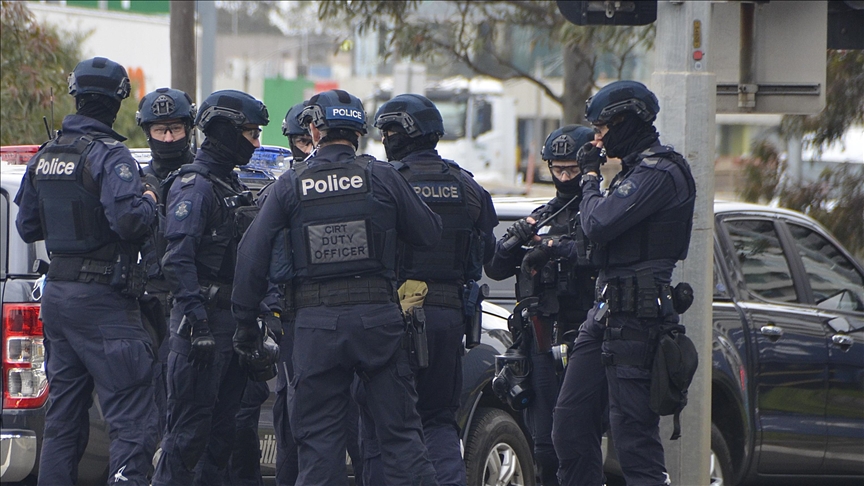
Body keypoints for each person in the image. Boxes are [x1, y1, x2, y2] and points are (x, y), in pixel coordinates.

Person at [231, 89, 443, 485]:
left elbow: (251, 257)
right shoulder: (383, 176)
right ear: (360, 130)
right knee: (402, 441)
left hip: (314, 330)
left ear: (314, 128)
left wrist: (245, 325)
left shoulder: (290, 185)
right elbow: (429, 233)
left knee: (319, 447)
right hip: (379, 323)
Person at [14, 56, 158, 485]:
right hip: (104, 303)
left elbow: (26, 227)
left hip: (58, 298)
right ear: (117, 103)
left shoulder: (45, 156)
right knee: (132, 416)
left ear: (75, 96)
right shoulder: (110, 156)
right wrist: (149, 199)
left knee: (64, 419)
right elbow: (130, 222)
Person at [549, 80, 697, 486]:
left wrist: (591, 177)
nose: (597, 139)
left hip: (638, 318)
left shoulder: (661, 171)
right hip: (604, 314)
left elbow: (598, 222)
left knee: (633, 439)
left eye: (602, 129)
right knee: (569, 424)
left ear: (627, 122)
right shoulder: (633, 171)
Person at [357, 93, 498, 486]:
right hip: (448, 319)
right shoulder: (467, 187)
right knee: (438, 423)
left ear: (406, 133)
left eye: (388, 131)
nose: (384, 138)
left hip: (392, 318)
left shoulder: (385, 184)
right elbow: (485, 254)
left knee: (382, 427)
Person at [151, 89, 270, 486]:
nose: (255, 143)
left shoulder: (228, 186)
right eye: (250, 133)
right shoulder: (195, 187)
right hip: (200, 331)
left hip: (231, 327)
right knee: (186, 441)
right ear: (225, 131)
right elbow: (177, 260)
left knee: (223, 440)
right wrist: (198, 325)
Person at [485, 124, 599, 486]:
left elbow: (597, 258)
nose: (564, 177)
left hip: (583, 336)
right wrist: (513, 241)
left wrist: (554, 248)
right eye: (557, 169)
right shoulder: (543, 215)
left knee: (579, 437)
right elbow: (495, 267)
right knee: (544, 443)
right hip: (539, 338)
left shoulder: (599, 214)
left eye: (572, 170)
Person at [135, 87, 197, 442]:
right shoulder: (135, 181)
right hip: (150, 305)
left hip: (196, 301)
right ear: (149, 132)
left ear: (189, 128)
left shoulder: (206, 177)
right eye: (160, 130)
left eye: (175, 129)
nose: (169, 137)